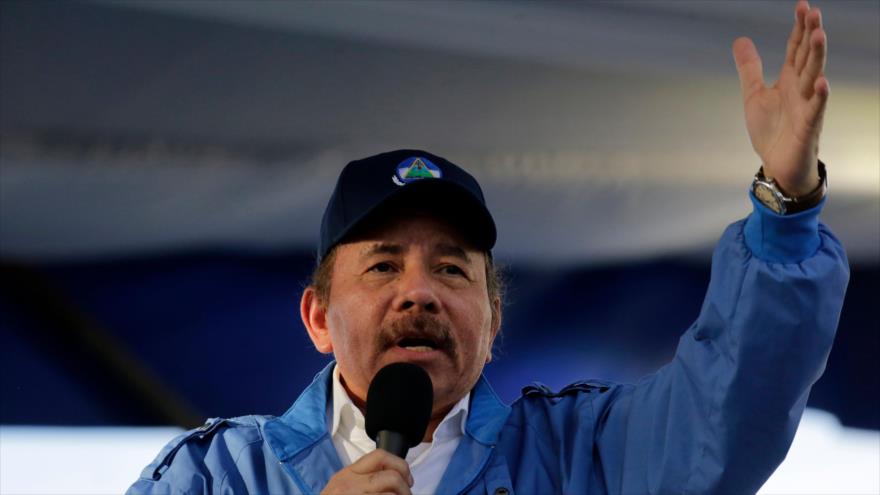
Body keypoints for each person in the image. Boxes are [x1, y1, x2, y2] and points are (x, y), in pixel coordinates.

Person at [128, 2, 848, 493]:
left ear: (494, 319)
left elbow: (728, 409)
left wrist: (786, 204)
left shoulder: (586, 458)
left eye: (451, 267)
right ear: (318, 317)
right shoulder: (220, 475)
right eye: (383, 264)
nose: (421, 290)